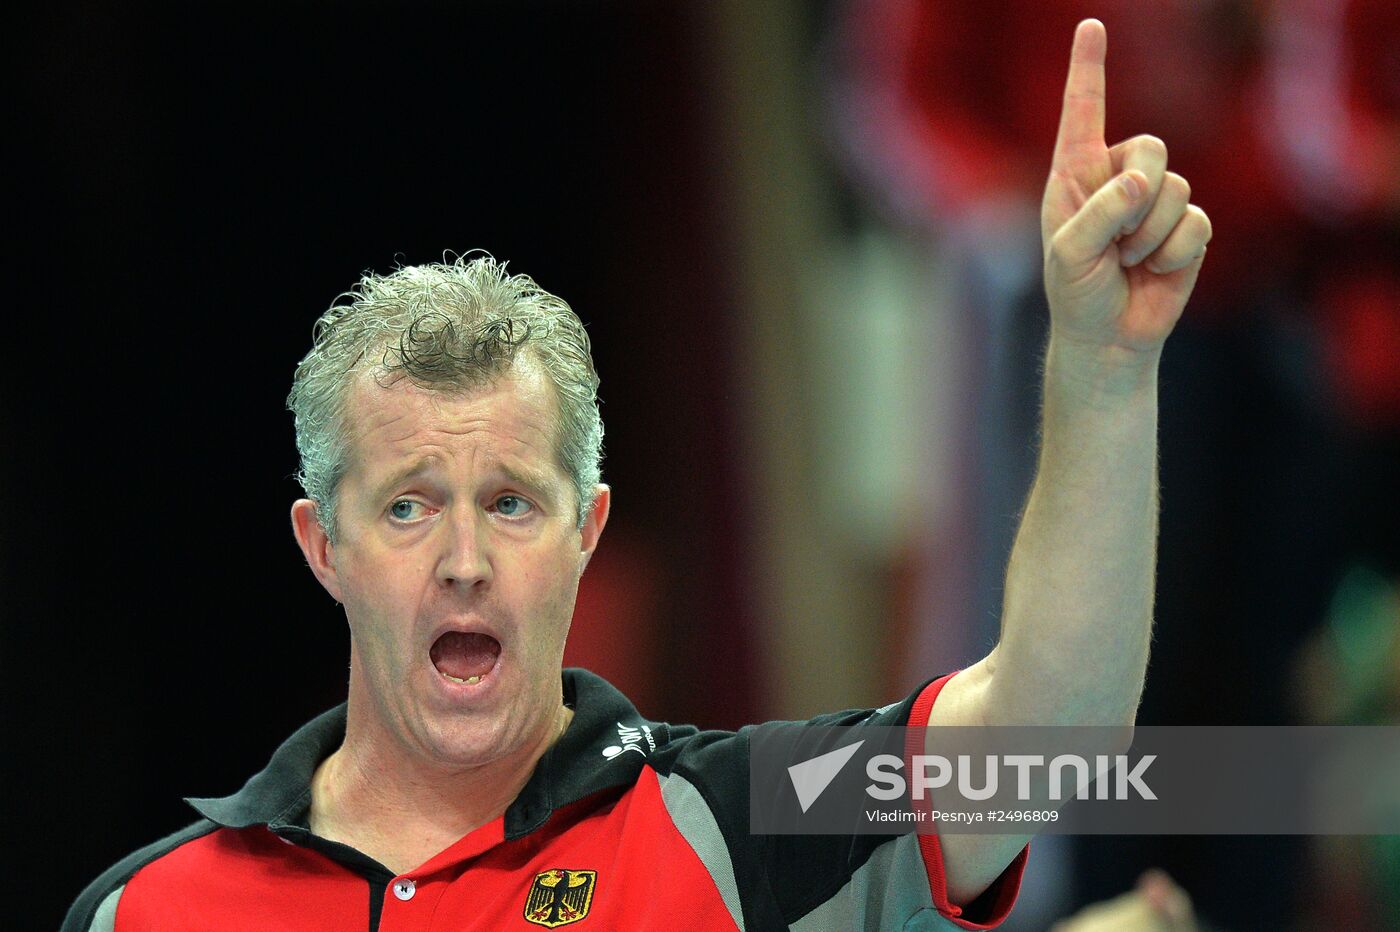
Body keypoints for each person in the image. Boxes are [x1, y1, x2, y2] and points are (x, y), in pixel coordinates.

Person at [63, 19, 1210, 931]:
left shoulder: (751, 817)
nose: (464, 562)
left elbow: (1034, 748)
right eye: (408, 506)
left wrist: (1104, 371)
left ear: (587, 528)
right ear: (324, 545)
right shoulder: (144, 910)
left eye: (511, 502)